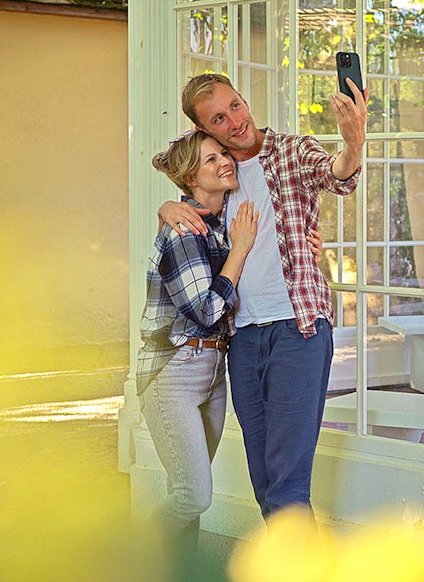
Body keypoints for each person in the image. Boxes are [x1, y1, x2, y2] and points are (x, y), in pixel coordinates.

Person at [158, 71, 367, 520]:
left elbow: (337, 175)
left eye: (236, 106)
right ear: (203, 130)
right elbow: (184, 191)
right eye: (218, 117)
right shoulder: (219, 179)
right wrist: (168, 205)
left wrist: (353, 143)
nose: (234, 121)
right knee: (266, 484)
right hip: (243, 339)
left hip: (298, 329)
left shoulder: (293, 150)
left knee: (288, 486)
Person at [136, 130, 258, 573]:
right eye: (211, 159)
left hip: (212, 370)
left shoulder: (218, 222)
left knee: (183, 490)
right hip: (174, 370)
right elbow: (206, 309)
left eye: (224, 153)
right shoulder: (183, 231)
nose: (225, 160)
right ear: (190, 176)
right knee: (193, 495)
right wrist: (241, 251)